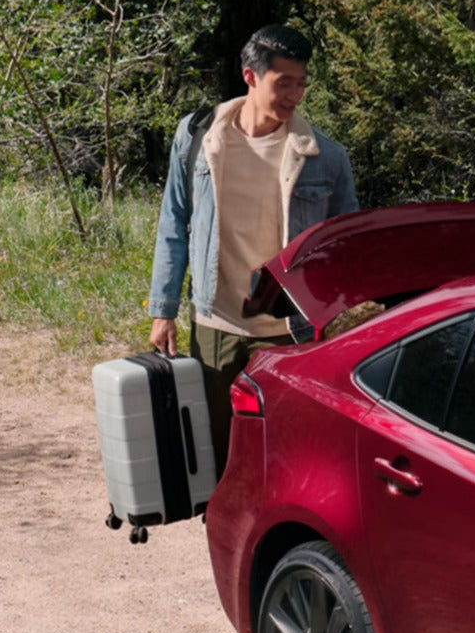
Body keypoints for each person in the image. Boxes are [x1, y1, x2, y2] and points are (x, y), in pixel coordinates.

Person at [144, 24, 361, 395]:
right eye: (283, 83)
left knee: (283, 432)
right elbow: (174, 223)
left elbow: (345, 247)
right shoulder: (198, 137)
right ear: (251, 77)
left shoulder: (325, 157)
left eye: (301, 83)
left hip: (290, 331)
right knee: (214, 432)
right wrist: (163, 310)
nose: (294, 95)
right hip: (215, 325)